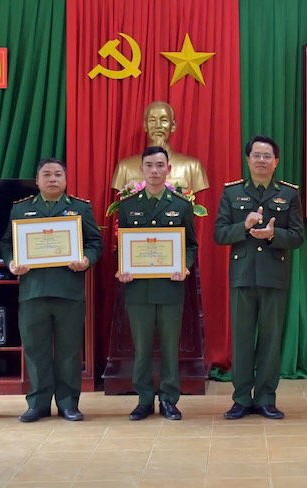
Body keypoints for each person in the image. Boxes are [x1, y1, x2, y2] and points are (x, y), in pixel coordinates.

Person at [1, 158, 102, 423]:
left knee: (69, 352)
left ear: (66, 180)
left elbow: (95, 242)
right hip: (33, 291)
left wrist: (86, 259)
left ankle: (69, 404)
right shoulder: (21, 209)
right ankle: (38, 404)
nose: (52, 179)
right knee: (36, 350)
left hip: (68, 290)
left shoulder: (79, 208)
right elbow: (7, 244)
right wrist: (12, 262)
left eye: (58, 174)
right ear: (37, 181)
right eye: (46, 174)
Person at [215, 135, 303, 420]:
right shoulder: (232, 193)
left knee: (270, 341)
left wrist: (273, 235)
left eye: (267, 156)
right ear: (248, 159)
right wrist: (244, 225)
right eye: (256, 155)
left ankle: (266, 398)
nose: (261, 160)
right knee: (241, 341)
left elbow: (298, 236)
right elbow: (220, 234)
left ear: (276, 161)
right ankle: (241, 399)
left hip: (274, 276)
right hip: (242, 276)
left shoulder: (289, 194)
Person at [115, 146, 198, 421]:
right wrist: (123, 268)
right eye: (149, 165)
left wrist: (184, 265)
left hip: (170, 287)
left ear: (168, 169)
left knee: (170, 347)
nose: (154, 170)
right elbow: (122, 245)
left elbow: (191, 245)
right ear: (141, 169)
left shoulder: (181, 205)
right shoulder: (127, 206)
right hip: (138, 288)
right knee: (141, 348)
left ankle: (169, 400)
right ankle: (144, 400)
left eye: (160, 165)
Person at [111, 100, 209, 193]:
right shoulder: (125, 168)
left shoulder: (193, 167)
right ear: (145, 126)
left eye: (164, 120)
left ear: (173, 126)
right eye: (152, 120)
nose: (158, 126)